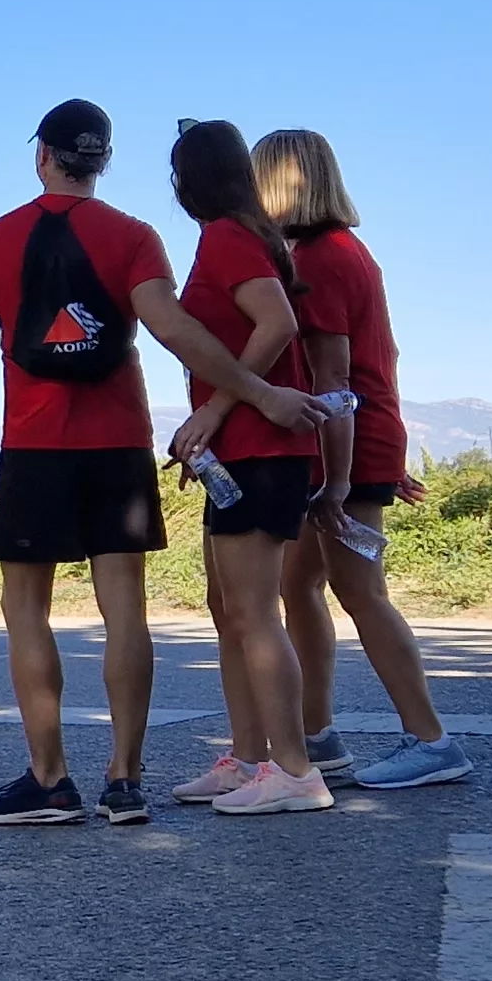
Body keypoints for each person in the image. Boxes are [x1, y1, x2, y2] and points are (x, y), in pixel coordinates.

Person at [0, 100, 317, 826]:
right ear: (104, 161)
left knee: (24, 609)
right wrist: (256, 392)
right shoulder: (133, 236)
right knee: (124, 605)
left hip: (33, 448)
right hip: (117, 441)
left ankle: (50, 779)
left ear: (43, 156)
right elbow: (172, 328)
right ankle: (125, 779)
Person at [258, 129, 472, 791]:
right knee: (299, 586)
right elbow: (380, 361)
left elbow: (334, 374)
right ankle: (316, 736)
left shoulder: (320, 259)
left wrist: (342, 478)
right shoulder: (346, 251)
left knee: (360, 591)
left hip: (341, 446)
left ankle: (431, 739)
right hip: (354, 440)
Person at [162, 119, 333, 817]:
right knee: (227, 608)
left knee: (256, 612)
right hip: (238, 453)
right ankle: (248, 758)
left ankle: (295, 771)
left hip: (263, 450)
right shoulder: (230, 236)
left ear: (186, 180)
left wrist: (217, 410)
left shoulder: (230, 238)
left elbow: (278, 325)